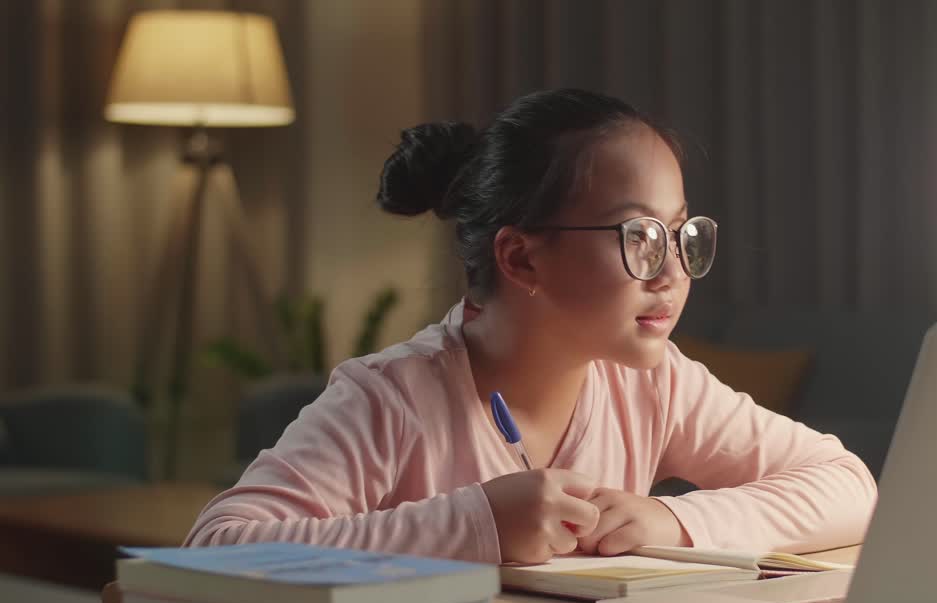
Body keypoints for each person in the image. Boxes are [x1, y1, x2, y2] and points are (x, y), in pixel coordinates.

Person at [184, 88, 877, 565]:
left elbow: (846, 482)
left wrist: (678, 520)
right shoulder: (390, 399)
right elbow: (215, 547)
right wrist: (475, 526)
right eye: (639, 235)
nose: (672, 273)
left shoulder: (657, 385)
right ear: (519, 256)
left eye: (680, 234)